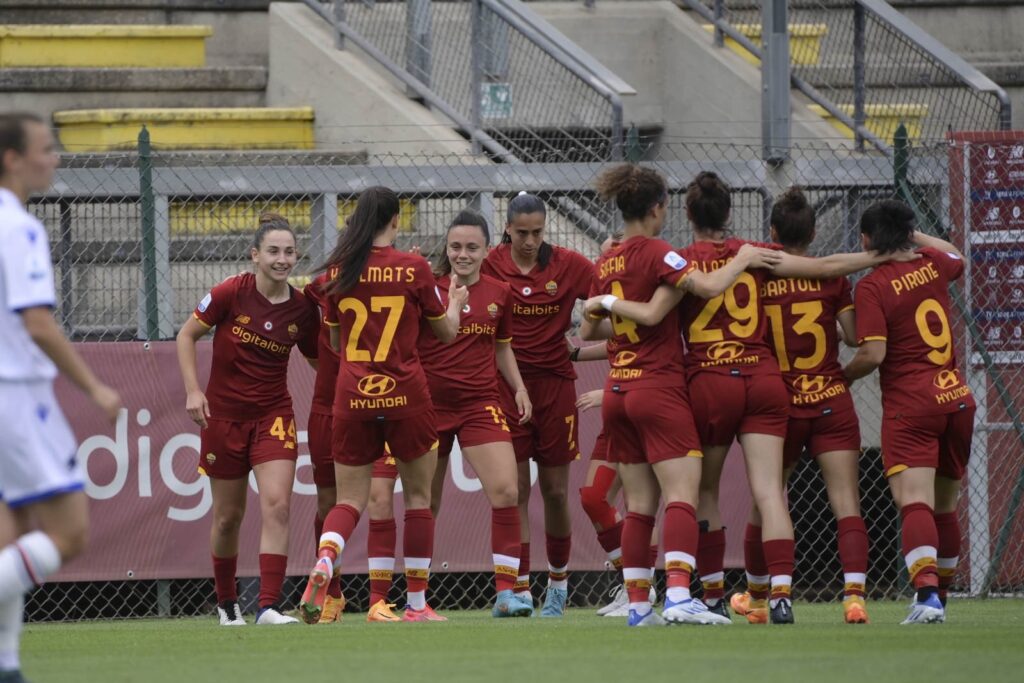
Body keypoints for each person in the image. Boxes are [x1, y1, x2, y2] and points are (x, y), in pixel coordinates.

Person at [600, 171, 896, 624]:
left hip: (708, 381)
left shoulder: (678, 259)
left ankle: (714, 596)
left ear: (684, 212)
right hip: (762, 380)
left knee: (704, 491)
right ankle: (779, 596)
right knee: (769, 491)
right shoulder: (754, 254)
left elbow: (641, 312)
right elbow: (821, 269)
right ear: (730, 212)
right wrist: (877, 254)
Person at [580, 163, 781, 627]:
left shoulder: (607, 260)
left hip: (618, 390)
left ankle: (637, 607)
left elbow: (589, 325)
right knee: (682, 495)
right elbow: (707, 286)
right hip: (658, 387)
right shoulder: (658, 252)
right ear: (657, 207)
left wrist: (608, 302)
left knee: (638, 505)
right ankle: (677, 597)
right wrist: (743, 256)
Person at [298, 186, 465, 624]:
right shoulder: (413, 267)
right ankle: (414, 606)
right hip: (406, 394)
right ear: (395, 221)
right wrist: (458, 304)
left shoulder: (340, 269)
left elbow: (334, 341)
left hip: (352, 395)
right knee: (416, 499)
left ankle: (326, 558)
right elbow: (445, 332)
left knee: (349, 500)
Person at [363, 209, 536, 620]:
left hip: (480, 404)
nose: (462, 254)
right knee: (428, 503)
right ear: (447, 248)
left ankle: (507, 594)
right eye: (455, 246)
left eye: (471, 247)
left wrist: (519, 386)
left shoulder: (499, 292)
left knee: (508, 491)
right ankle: (413, 600)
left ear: (488, 250)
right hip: (425, 407)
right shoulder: (428, 288)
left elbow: (502, 346)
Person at [0, 111, 122, 682]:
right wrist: (93, 385)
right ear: (12, 158)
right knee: (69, 533)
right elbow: (39, 324)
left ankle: (8, 667)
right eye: (45, 149)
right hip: (16, 396)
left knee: (13, 539)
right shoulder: (18, 227)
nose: (53, 158)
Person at [730, 187, 869, 625]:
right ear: (813, 233)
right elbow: (851, 337)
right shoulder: (833, 278)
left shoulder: (759, 274)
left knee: (767, 498)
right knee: (846, 500)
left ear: (772, 232)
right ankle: (854, 599)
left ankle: (760, 596)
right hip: (831, 397)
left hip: (781, 405)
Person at [176, 213, 320, 626]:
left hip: (273, 416)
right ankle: (226, 605)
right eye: (273, 251)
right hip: (224, 419)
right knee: (228, 517)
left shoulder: (302, 308)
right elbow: (186, 336)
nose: (282, 259)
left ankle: (269, 606)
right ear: (255, 255)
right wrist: (193, 390)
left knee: (277, 505)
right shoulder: (229, 293)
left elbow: (316, 359)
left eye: (289, 251)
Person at [843, 200, 975, 625]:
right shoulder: (933, 262)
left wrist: (842, 377)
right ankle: (941, 597)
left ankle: (927, 596)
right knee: (945, 505)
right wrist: (912, 236)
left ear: (865, 241)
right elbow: (960, 256)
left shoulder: (872, 285)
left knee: (913, 502)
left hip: (911, 405)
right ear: (907, 234)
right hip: (955, 398)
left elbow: (873, 353)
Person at [481, 192, 597, 616]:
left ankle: (559, 584)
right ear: (507, 228)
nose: (530, 241)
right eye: (522, 232)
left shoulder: (568, 265)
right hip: (506, 389)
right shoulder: (490, 263)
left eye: (538, 232)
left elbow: (607, 294)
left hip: (554, 389)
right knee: (514, 490)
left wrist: (587, 338)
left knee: (554, 491)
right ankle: (522, 587)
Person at [302, 265, 347, 623]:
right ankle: (332, 594)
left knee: (380, 501)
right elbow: (299, 290)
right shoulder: (326, 281)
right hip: (329, 408)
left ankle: (396, 599)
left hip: (382, 403)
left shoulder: (400, 274)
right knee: (328, 501)